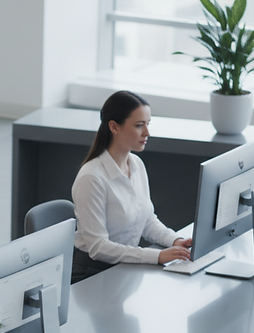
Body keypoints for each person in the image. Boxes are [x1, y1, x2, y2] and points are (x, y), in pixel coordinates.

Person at [71, 90, 192, 283]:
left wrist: (175, 240)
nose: (147, 133)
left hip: (125, 267)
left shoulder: (136, 164)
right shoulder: (92, 178)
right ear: (114, 127)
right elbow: (98, 247)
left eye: (147, 124)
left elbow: (146, 220)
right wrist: (156, 257)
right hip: (92, 273)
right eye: (139, 125)